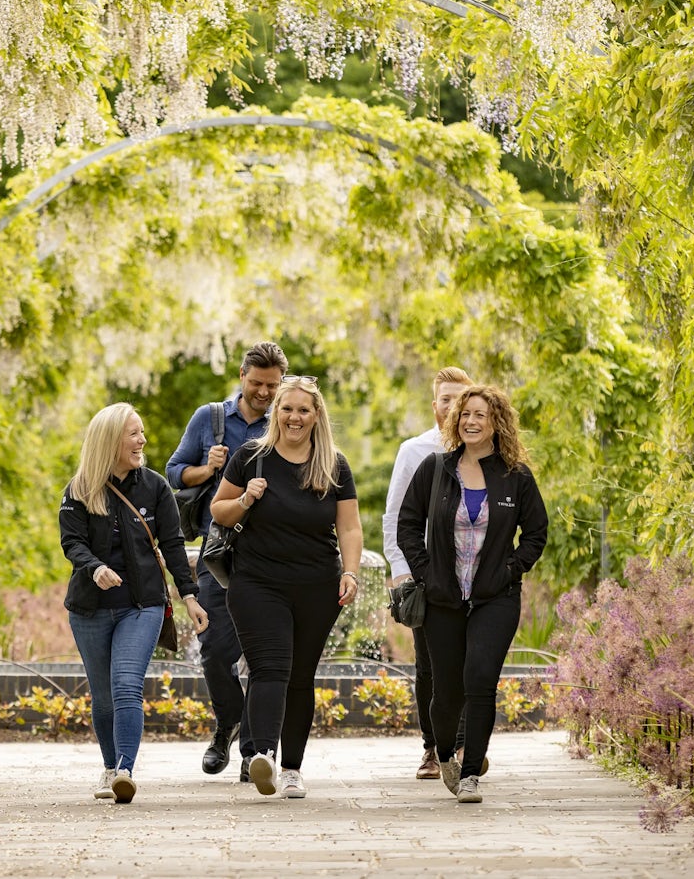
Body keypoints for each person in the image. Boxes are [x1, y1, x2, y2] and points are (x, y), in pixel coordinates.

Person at [209, 375, 363, 799]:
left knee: (300, 676)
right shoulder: (250, 457)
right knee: (270, 666)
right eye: (287, 408)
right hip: (257, 582)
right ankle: (263, 755)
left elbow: (349, 527)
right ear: (276, 412)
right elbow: (218, 511)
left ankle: (292, 768)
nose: (294, 417)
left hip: (317, 585)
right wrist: (245, 500)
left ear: (316, 416)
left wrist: (350, 572)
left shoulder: (333, 464)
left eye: (303, 410)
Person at [396, 384, 548, 804]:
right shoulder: (435, 468)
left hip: (494, 598)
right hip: (443, 598)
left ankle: (469, 774)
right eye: (465, 414)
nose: (471, 421)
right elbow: (407, 524)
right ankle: (443, 752)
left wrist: (510, 570)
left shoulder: (515, 476)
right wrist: (426, 572)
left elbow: (536, 533)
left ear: (497, 422)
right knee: (447, 692)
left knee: (480, 680)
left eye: (480, 414)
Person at [60, 403, 210, 804]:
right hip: (90, 608)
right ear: (110, 440)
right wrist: (94, 568)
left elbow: (174, 546)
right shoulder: (78, 489)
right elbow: (71, 543)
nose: (142, 441)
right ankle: (110, 768)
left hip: (142, 605)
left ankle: (125, 770)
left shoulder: (157, 487)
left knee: (126, 685)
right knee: (104, 694)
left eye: (142, 433)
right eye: (133, 434)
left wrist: (189, 597)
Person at [166, 342, 288, 781]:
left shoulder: (288, 421)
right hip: (218, 552)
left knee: (262, 654)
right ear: (241, 375)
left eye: (272, 386)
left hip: (272, 552)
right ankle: (227, 723)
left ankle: (253, 753)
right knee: (215, 649)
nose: (263, 393)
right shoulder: (210, 419)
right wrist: (206, 468)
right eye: (257, 383)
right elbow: (173, 471)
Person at [381, 366, 472, 779]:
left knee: (473, 659)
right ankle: (434, 748)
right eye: (446, 399)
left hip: (475, 575)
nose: (454, 407)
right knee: (430, 665)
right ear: (435, 405)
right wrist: (402, 573)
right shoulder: (414, 451)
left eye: (462, 399)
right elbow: (395, 517)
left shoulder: (489, 451)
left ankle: (466, 746)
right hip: (426, 575)